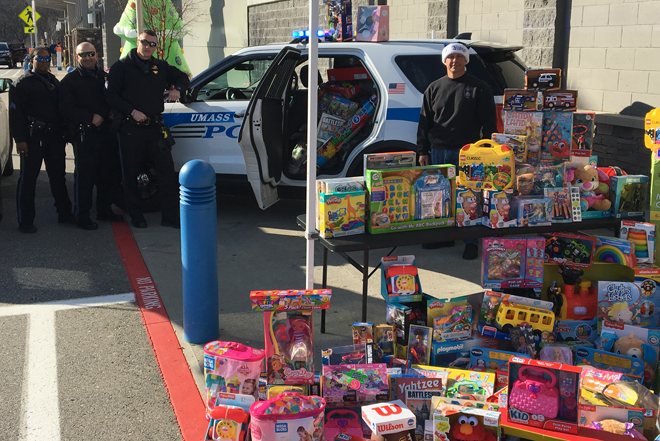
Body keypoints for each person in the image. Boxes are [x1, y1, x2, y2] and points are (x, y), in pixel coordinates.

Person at [417, 42, 497, 260]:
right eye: (450, 57)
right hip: (439, 151)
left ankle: (471, 241)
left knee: (469, 197)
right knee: (440, 197)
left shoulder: (480, 88)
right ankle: (444, 235)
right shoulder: (433, 88)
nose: (454, 61)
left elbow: (489, 123)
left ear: (465, 60)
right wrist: (423, 150)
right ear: (444, 61)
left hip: (469, 153)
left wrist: (489, 151)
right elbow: (424, 123)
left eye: (459, 57)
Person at [105, 29, 189, 229]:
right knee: (130, 174)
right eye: (145, 42)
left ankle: (169, 217)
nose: (148, 47)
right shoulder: (121, 67)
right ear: (137, 41)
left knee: (167, 172)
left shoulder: (159, 66)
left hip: (154, 128)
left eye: (152, 44)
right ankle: (136, 216)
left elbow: (183, 77)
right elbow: (111, 97)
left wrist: (177, 89)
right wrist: (132, 111)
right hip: (130, 128)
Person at [59, 42, 124, 230]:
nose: (87, 58)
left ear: (97, 56)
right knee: (85, 178)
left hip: (106, 133)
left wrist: (112, 111)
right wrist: (89, 117)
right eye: (83, 55)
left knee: (107, 175)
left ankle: (104, 210)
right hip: (85, 135)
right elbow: (64, 108)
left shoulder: (104, 77)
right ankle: (82, 215)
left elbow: (113, 98)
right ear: (76, 57)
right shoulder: (70, 81)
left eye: (91, 54)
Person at [9, 47, 75, 233]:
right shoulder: (22, 83)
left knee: (58, 177)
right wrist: (20, 140)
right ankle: (26, 221)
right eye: (40, 58)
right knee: (29, 179)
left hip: (54, 137)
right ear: (31, 60)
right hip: (32, 137)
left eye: (48, 58)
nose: (45, 61)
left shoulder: (53, 81)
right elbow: (16, 115)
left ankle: (64, 213)